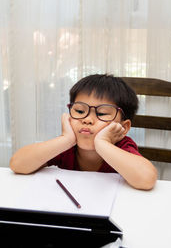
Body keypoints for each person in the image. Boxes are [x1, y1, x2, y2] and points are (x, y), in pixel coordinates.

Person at [10, 74, 157, 190]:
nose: (87, 120)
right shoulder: (66, 146)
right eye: (80, 111)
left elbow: (147, 179)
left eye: (102, 114)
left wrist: (102, 143)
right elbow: (17, 164)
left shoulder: (122, 146)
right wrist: (66, 139)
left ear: (123, 127)